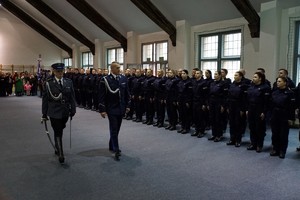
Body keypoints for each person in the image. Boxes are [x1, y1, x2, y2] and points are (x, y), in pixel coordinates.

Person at [42, 63, 76, 164]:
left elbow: (72, 97)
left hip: (65, 111)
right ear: (54, 72)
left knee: (61, 128)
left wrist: (73, 109)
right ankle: (61, 154)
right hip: (54, 111)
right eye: (58, 72)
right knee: (57, 131)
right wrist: (44, 113)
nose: (60, 73)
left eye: (62, 71)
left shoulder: (68, 82)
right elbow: (45, 99)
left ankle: (57, 145)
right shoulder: (49, 83)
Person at [98, 61, 130, 161]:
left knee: (117, 129)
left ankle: (111, 144)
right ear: (111, 69)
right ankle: (116, 149)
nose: (119, 69)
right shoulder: (105, 80)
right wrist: (102, 110)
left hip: (121, 108)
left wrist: (128, 106)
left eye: (119, 67)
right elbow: (101, 96)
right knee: (114, 128)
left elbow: (127, 94)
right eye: (117, 68)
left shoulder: (123, 78)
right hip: (111, 108)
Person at [270, 77, 295, 159]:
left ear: (285, 83)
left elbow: (292, 107)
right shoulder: (274, 92)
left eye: (280, 81)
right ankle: (275, 149)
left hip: (284, 115)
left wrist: (291, 118)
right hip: (275, 114)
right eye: (277, 81)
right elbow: (271, 104)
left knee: (283, 134)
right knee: (275, 133)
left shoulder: (290, 93)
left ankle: (282, 151)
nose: (278, 83)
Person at [246, 72, 271, 153]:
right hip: (251, 109)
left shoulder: (265, 87)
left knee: (259, 128)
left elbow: (267, 102)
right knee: (252, 127)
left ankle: (259, 145)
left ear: (260, 78)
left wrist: (264, 112)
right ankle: (253, 143)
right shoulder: (251, 86)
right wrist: (247, 109)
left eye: (255, 77)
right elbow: (247, 99)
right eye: (253, 77)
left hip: (259, 109)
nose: (253, 78)